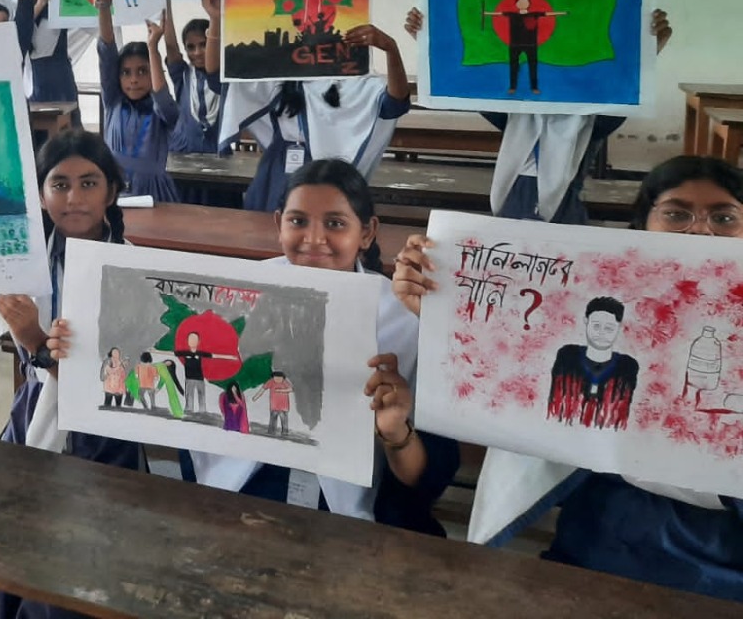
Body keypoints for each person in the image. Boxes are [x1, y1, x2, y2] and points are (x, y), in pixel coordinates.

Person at [393, 154, 743, 601]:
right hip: (598, 542)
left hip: (720, 562)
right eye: (676, 214)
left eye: (724, 217)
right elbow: (522, 377)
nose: (699, 232)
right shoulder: (597, 309)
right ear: (643, 227)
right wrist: (443, 311)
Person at [175, 159, 458, 533]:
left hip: (350, 503)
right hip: (249, 482)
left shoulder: (405, 316)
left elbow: (429, 475)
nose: (313, 238)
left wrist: (395, 433)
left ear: (367, 233)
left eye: (335, 224)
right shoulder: (234, 295)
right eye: (298, 221)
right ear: (279, 224)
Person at [0, 130, 142, 619]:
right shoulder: (19, 263)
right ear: (40, 195)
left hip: (105, 437)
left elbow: (116, 386)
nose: (73, 198)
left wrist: (34, 340)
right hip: (32, 416)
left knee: (60, 582)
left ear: (111, 193)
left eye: (89, 183)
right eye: (59, 185)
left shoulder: (134, 271)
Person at [404, 8, 672, 223]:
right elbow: (468, 85)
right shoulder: (517, 114)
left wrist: (651, 50)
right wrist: (428, 40)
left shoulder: (589, 118)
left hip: (562, 218)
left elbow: (623, 94)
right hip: (510, 210)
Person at [212, 0, 410, 211]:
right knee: (267, 227)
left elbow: (395, 102)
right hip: (277, 171)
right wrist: (216, 19)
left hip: (325, 175)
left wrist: (391, 48)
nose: (310, 33)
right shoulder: (279, 74)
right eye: (302, 25)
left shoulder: (353, 79)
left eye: (320, 25)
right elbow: (217, 77)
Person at [95, 0, 179, 202]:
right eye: (126, 73)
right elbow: (106, 51)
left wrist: (153, 47)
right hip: (113, 189)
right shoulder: (113, 101)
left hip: (154, 193)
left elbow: (161, 94)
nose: (134, 79)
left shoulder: (163, 110)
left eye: (143, 71)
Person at [546, 297, 638, 429]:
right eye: (596, 326)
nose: (601, 333)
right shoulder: (567, 356)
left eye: (609, 328)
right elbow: (556, 405)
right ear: (586, 321)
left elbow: (620, 415)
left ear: (619, 327)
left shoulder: (627, 366)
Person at [163, 0, 225, 157]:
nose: (197, 52)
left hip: (217, 155)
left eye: (203, 44)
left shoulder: (225, 78)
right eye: (190, 47)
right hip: (181, 153)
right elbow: (170, 46)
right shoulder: (182, 75)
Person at [257, 371, 294, 436]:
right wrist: (256, 396)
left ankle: (285, 432)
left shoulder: (284, 382)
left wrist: (280, 390)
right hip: (274, 406)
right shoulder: (271, 382)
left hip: (284, 406)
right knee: (273, 420)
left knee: (284, 420)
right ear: (273, 377)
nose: (278, 380)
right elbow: (263, 388)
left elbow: (291, 389)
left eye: (280, 378)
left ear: (283, 378)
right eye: (276, 378)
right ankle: (271, 431)